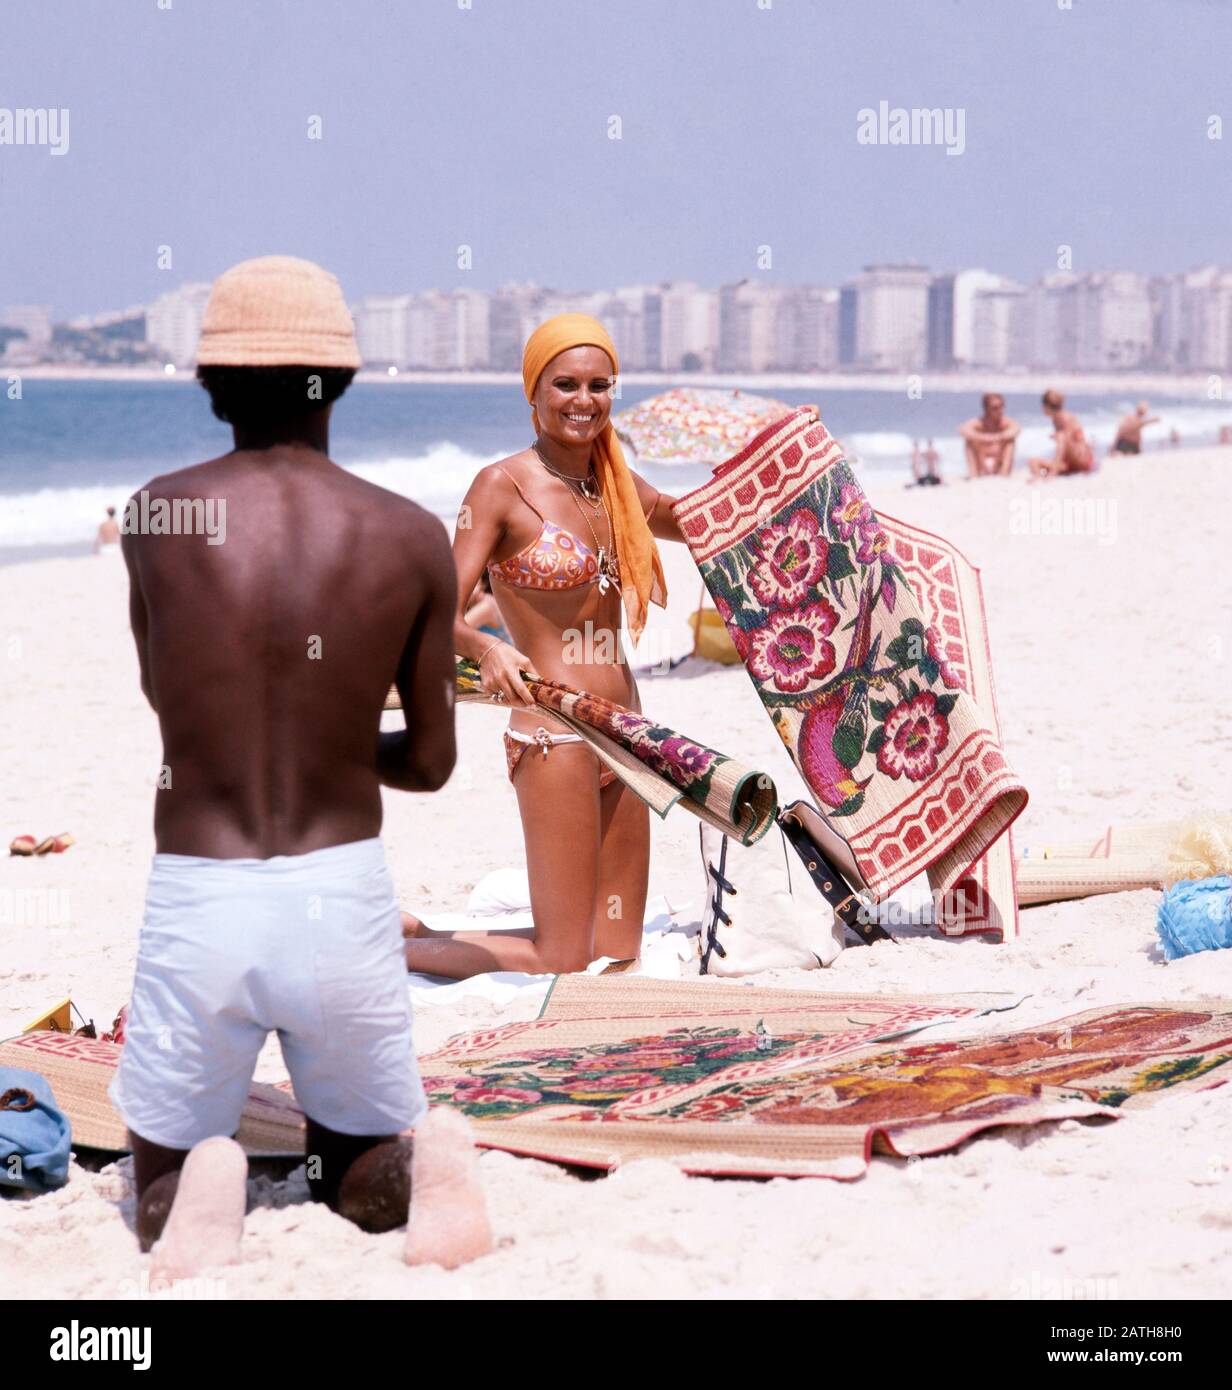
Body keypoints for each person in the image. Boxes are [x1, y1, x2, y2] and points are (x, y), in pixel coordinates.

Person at [110, 255, 490, 1279]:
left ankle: (196, 1192)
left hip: (202, 888)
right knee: (355, 1171)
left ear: (210, 386)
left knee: (151, 1184)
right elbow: (431, 760)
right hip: (341, 893)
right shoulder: (410, 536)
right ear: (345, 384)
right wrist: (332, 742)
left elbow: (170, 701)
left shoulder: (154, 517)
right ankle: (409, 1179)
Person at [402, 313, 683, 980]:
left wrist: (790, 469)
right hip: (554, 733)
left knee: (617, 950)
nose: (584, 400)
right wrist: (484, 646)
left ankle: (426, 932)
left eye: (599, 384)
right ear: (533, 392)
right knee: (562, 956)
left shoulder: (614, 484)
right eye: (565, 384)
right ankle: (381, 949)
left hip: (627, 731)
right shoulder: (500, 486)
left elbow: (702, 521)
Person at [1027, 390, 1095, 480]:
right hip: (1070, 461)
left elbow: (1068, 442)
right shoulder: (1056, 419)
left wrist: (1059, 437)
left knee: (1061, 436)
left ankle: (1052, 473)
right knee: (1033, 462)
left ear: (1046, 406)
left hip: (1080, 459)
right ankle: (1039, 477)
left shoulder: (1063, 417)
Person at [959, 393, 1020, 478]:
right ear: (986, 409)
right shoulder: (979, 423)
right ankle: (974, 475)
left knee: (1010, 441)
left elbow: (1016, 429)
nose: (1000, 410)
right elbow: (963, 430)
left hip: (999, 461)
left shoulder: (1005, 422)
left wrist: (997, 437)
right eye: (995, 408)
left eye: (1002, 406)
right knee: (969, 441)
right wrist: (984, 438)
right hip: (982, 461)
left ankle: (1004, 475)